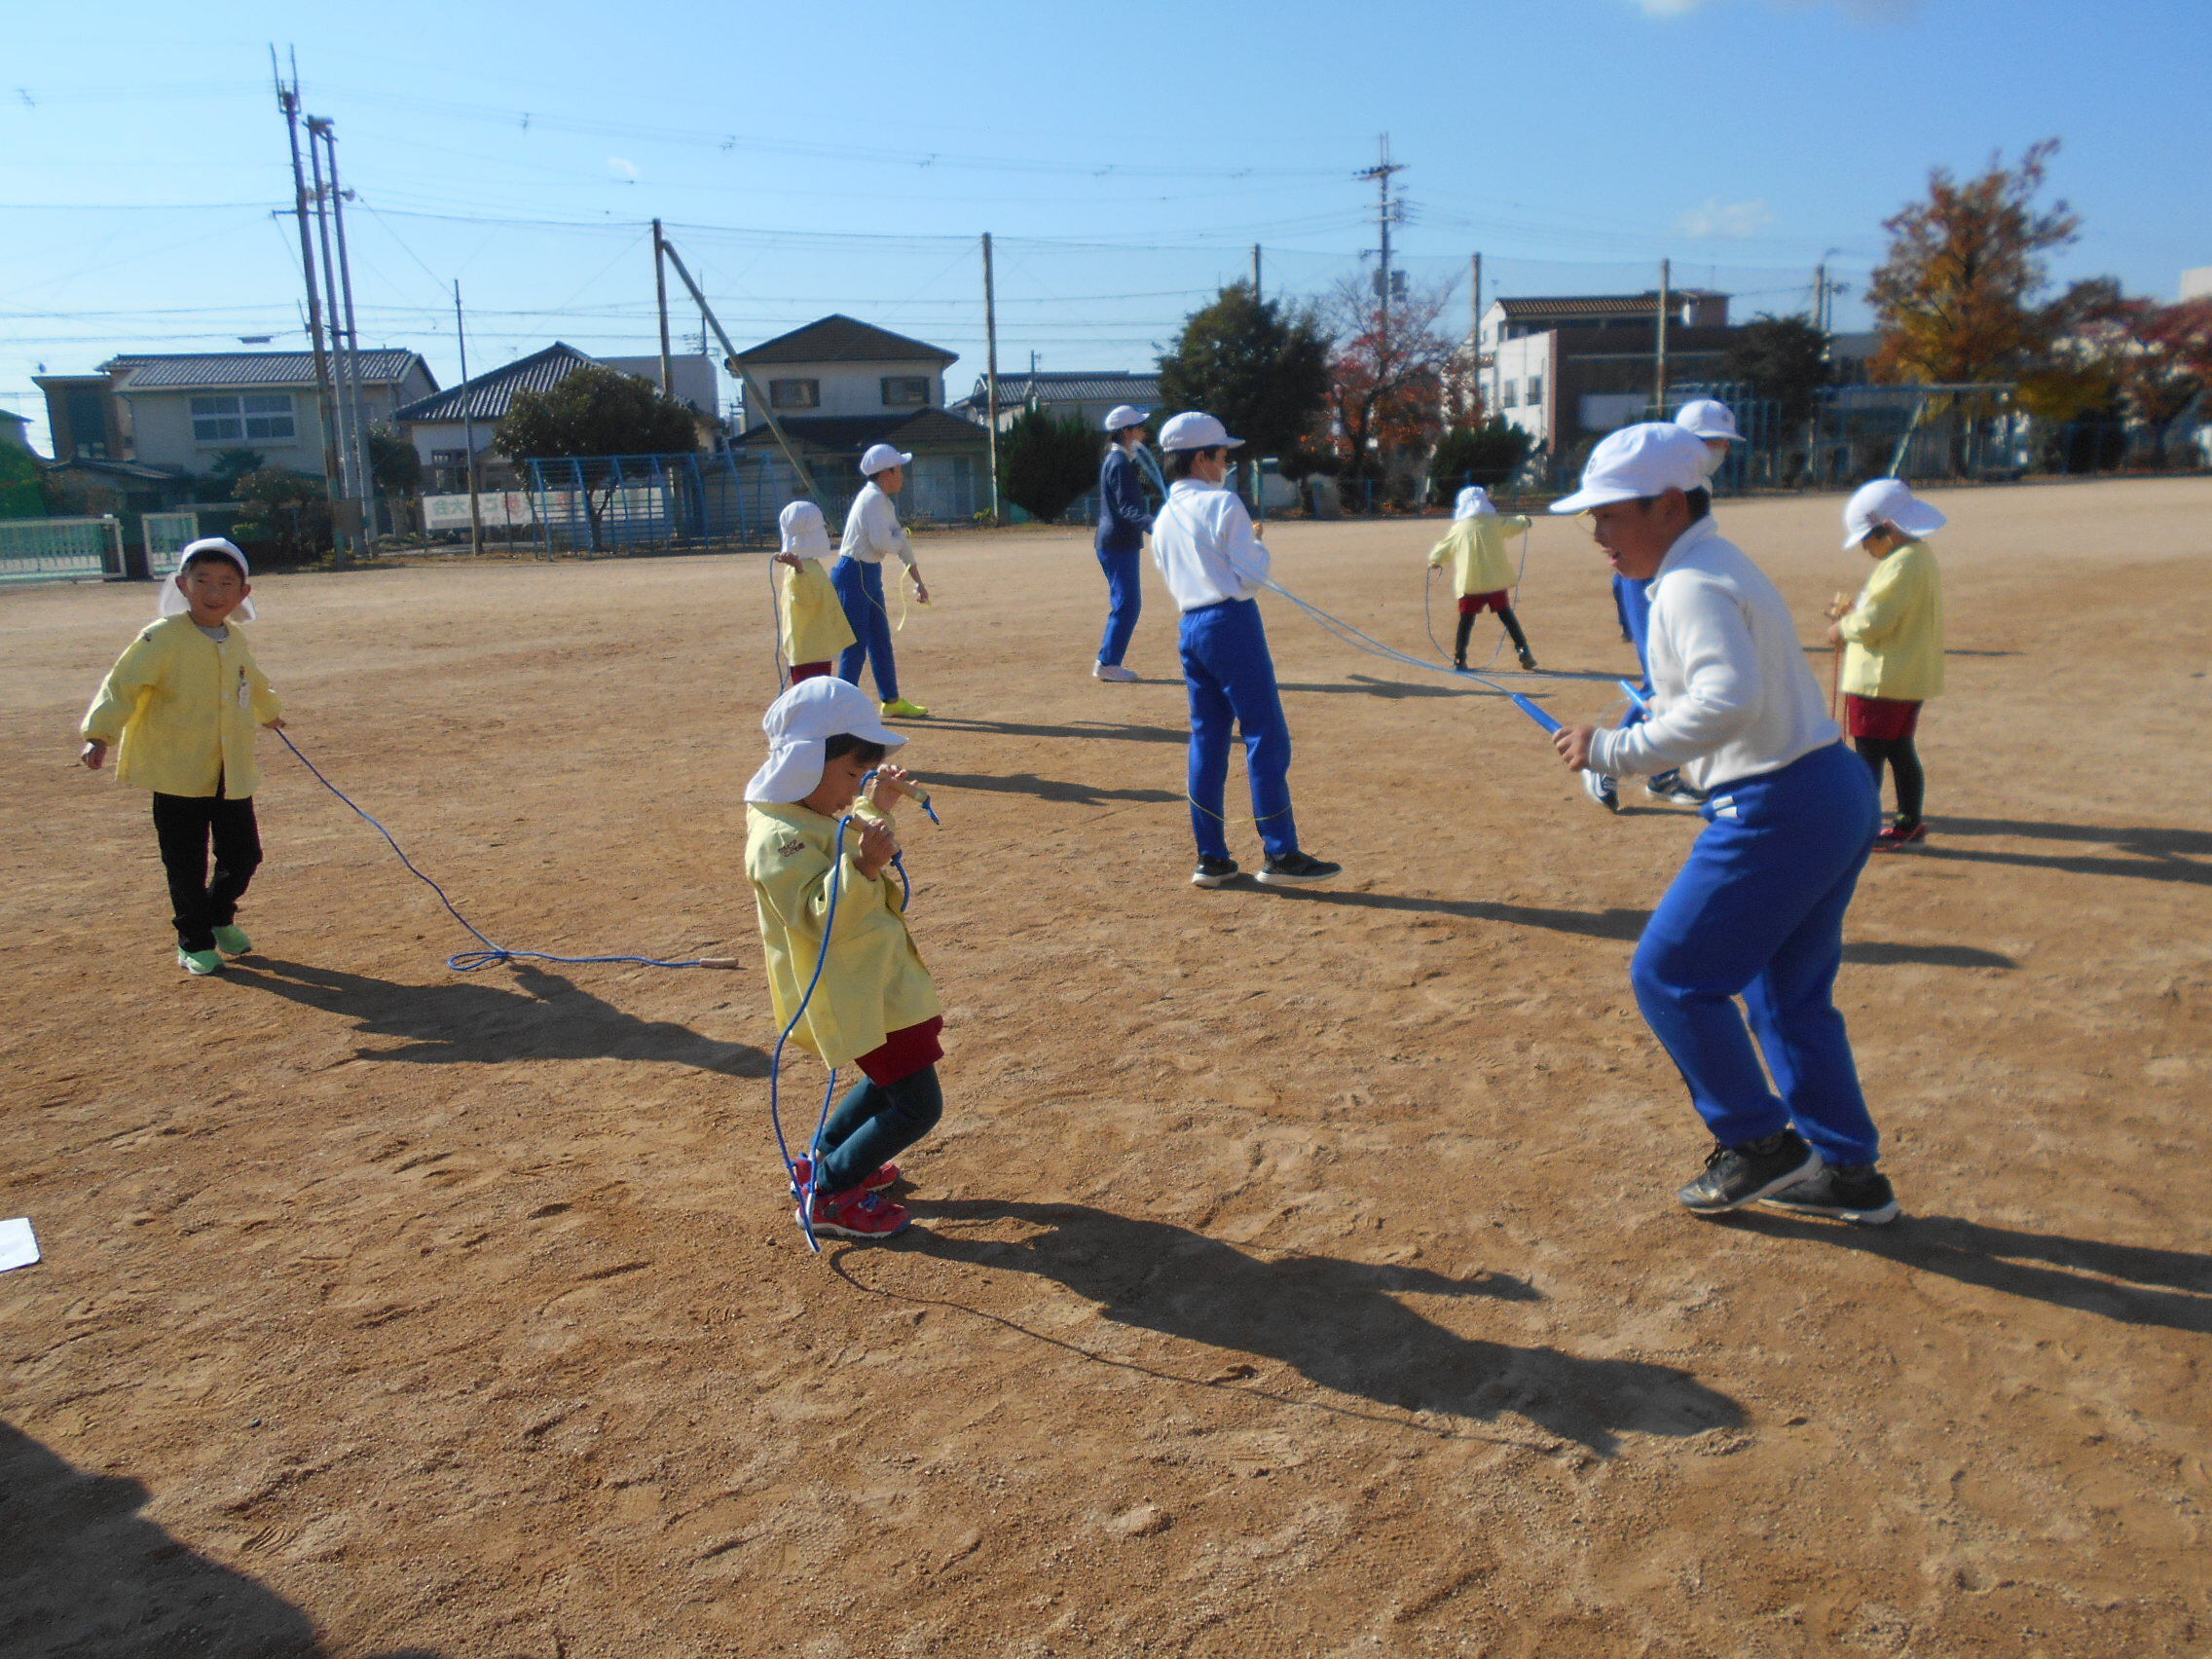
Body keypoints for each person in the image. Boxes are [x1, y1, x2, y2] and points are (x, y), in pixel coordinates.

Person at [1548, 424, 1897, 1227]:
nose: (1596, 534)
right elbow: (1732, 701)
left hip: (1779, 806)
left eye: (1608, 515)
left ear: (1670, 505)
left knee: (1668, 975)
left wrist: (1617, 749)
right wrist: (1663, 744)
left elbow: (1727, 699)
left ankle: (1761, 1144)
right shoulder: (1710, 564)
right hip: (1828, 788)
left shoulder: (1690, 582)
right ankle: (1849, 1174)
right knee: (1787, 996)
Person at [745, 676, 944, 1240]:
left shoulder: (807, 812)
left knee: (892, 1082)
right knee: (917, 1105)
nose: (855, 787)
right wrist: (863, 868)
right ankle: (830, 1190)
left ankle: (825, 1157)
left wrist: (873, 807)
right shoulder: (777, 838)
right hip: (855, 988)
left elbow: (845, 839)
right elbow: (813, 912)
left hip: (877, 983)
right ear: (808, 761)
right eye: (852, 774)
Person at [1150, 410, 1341, 890]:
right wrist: (1257, 546)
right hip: (1230, 621)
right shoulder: (1223, 504)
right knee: (1265, 734)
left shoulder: (1163, 516)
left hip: (1190, 625)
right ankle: (1280, 851)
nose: (1225, 464)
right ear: (1201, 458)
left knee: (1207, 738)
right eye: (1220, 455)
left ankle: (1211, 857)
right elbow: (1251, 577)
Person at [78, 538, 285, 977]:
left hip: (230, 772)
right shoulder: (162, 637)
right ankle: (194, 940)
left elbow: (254, 680)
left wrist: (270, 714)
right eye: (202, 581)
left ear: (243, 593)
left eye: (227, 583)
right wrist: (99, 735)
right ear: (182, 585)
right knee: (186, 864)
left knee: (244, 856)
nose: (214, 592)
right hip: (177, 772)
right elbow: (123, 685)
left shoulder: (236, 638)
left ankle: (219, 914)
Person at [1827, 479, 1947, 851]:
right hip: (1906, 677)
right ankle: (1908, 822)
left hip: (1880, 680)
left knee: (1868, 758)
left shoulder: (1899, 564)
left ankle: (1860, 828)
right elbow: (1889, 611)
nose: (1865, 547)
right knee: (1900, 751)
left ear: (1889, 530)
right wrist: (1857, 613)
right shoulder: (1919, 557)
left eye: (1868, 538)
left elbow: (1878, 622)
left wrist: (1842, 627)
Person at [832, 443, 932, 719]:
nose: (903, 475)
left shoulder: (882, 500)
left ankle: (890, 700)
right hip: (855, 574)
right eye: (899, 469)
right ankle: (841, 709)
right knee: (856, 645)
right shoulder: (873, 500)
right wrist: (900, 538)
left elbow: (900, 542)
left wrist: (918, 581)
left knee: (880, 640)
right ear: (886, 472)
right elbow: (885, 541)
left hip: (867, 574)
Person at [1428, 485, 1537, 672]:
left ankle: (1460, 658)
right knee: (1507, 617)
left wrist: (1434, 560)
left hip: (1471, 583)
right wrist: (1525, 521)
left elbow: (1444, 549)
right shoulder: (1494, 522)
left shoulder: (1459, 528)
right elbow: (1515, 524)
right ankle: (1523, 650)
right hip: (1495, 582)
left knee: (1466, 622)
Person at [1092, 404, 1155, 682]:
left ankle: (1109, 661)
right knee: (1128, 603)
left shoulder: (1119, 460)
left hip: (1117, 541)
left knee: (1127, 602)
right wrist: (1158, 528)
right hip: (1118, 542)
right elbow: (1128, 509)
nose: (1143, 431)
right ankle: (1108, 662)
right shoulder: (1119, 463)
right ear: (1126, 432)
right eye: (1139, 427)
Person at [772, 499, 856, 685]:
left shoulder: (810, 564)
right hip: (809, 650)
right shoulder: (799, 569)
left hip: (815, 646)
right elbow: (806, 597)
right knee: (811, 692)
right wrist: (799, 569)